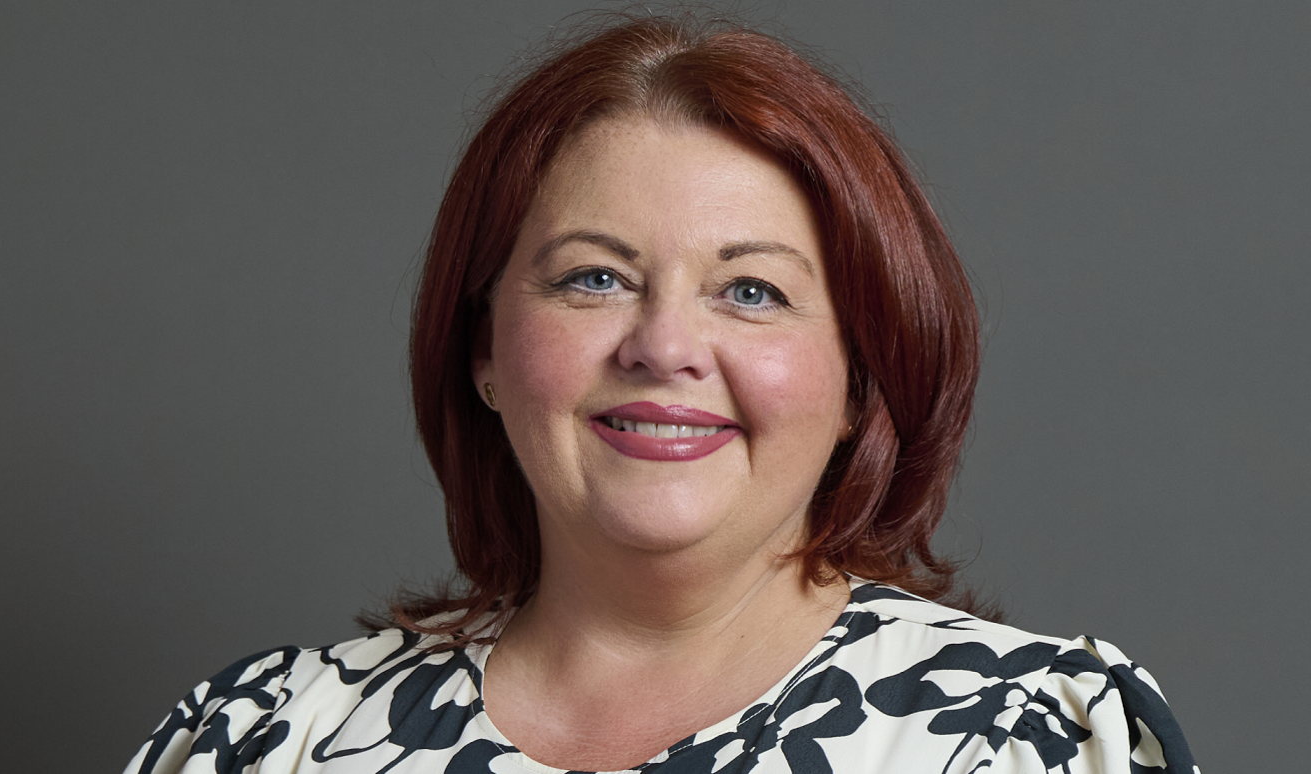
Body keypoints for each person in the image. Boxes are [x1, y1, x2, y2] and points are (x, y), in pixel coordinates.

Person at [123, 13, 1197, 774]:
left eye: (750, 290)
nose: (664, 345)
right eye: (594, 277)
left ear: (857, 378)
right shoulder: (268, 738)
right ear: (483, 349)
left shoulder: (1020, 740)